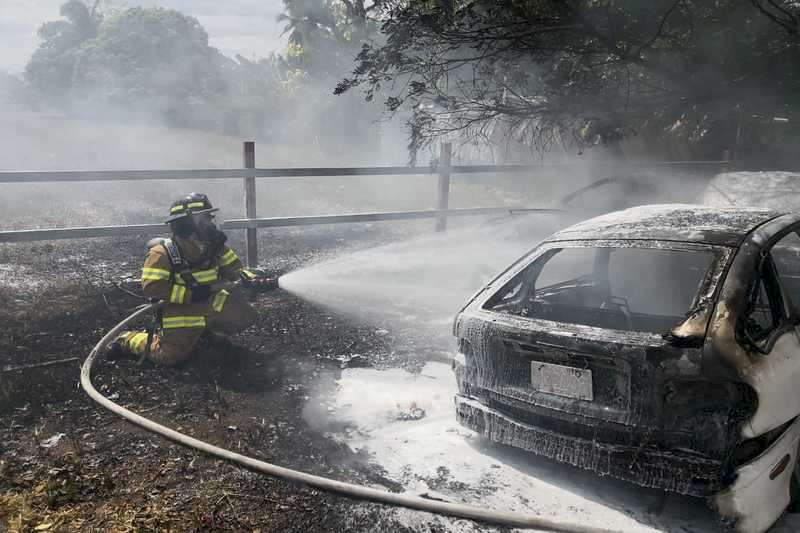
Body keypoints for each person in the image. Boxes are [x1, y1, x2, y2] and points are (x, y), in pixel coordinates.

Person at [110, 193, 256, 365]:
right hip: (181, 312)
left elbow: (236, 270)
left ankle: (207, 337)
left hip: (210, 303)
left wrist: (251, 278)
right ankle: (128, 339)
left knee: (246, 315)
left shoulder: (215, 247)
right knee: (170, 356)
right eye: (205, 219)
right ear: (186, 224)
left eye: (210, 218)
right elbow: (152, 287)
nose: (210, 224)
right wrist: (191, 294)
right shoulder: (162, 253)